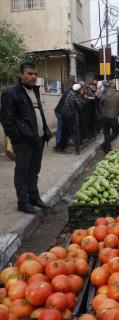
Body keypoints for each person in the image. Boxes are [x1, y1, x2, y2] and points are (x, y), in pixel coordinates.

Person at [0, 62, 52, 214]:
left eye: (35, 74)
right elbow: (6, 119)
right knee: (22, 172)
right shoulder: (11, 92)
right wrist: (16, 138)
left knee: (34, 170)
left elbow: (38, 113)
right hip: (23, 141)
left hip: (39, 138)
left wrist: (45, 131)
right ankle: (23, 202)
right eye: (29, 74)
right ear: (21, 75)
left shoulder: (35, 90)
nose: (33, 77)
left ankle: (34, 198)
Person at [99, 82, 119, 153]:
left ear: (109, 87)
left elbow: (100, 104)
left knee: (106, 133)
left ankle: (107, 148)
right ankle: (105, 145)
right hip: (113, 117)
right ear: (115, 87)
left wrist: (102, 112)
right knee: (116, 132)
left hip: (104, 117)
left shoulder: (104, 94)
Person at [54, 84, 84, 153]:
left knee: (65, 130)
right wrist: (82, 96)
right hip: (63, 113)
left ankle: (60, 146)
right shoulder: (73, 94)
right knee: (63, 130)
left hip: (63, 113)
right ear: (78, 90)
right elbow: (80, 104)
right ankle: (60, 147)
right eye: (80, 90)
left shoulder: (70, 91)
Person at [54, 79, 74, 145]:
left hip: (61, 111)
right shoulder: (70, 93)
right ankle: (58, 142)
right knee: (61, 127)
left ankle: (65, 141)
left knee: (65, 127)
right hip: (60, 112)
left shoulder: (69, 91)